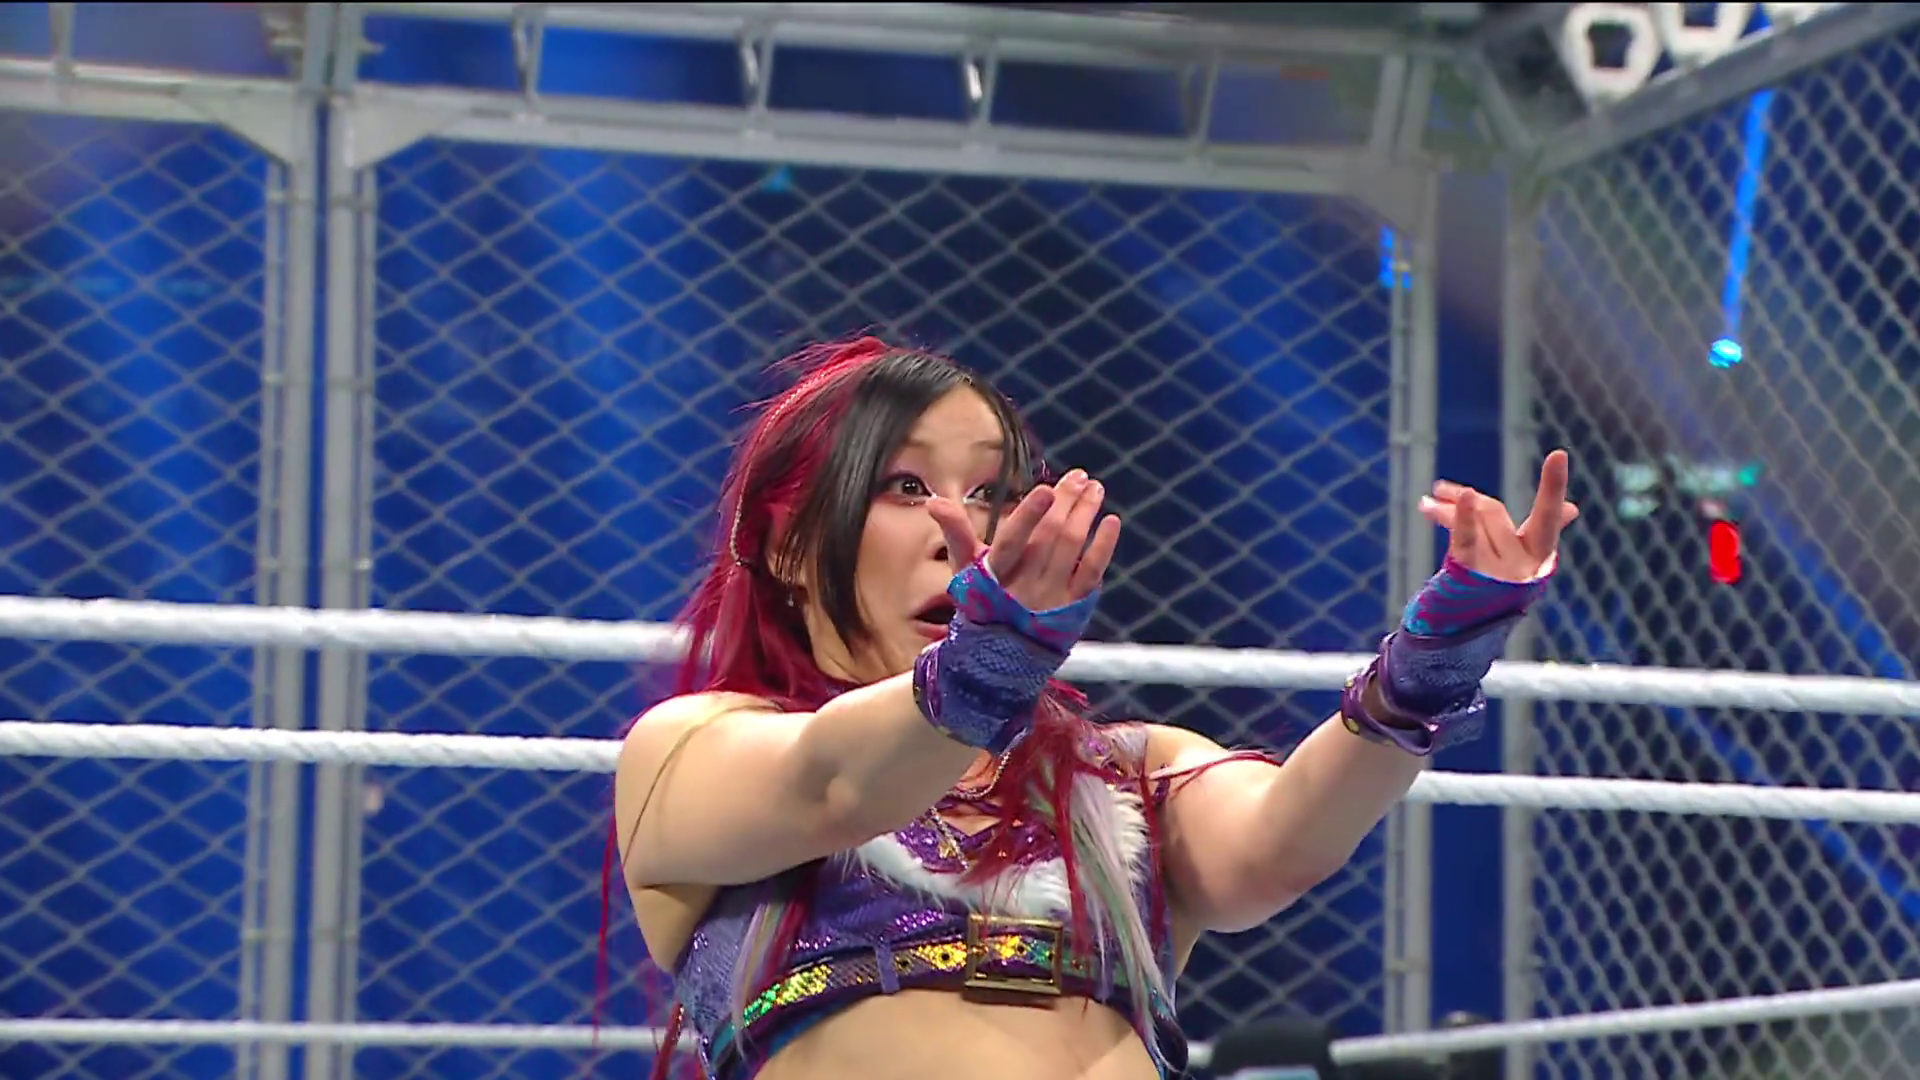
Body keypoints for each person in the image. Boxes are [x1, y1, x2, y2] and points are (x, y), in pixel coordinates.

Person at [612, 337, 1577, 1080]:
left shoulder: (1124, 772)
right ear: (787, 545)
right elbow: (833, 783)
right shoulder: (694, 746)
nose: (962, 527)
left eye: (990, 491)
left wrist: (1432, 664)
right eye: (906, 486)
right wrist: (985, 666)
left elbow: (1278, 845)